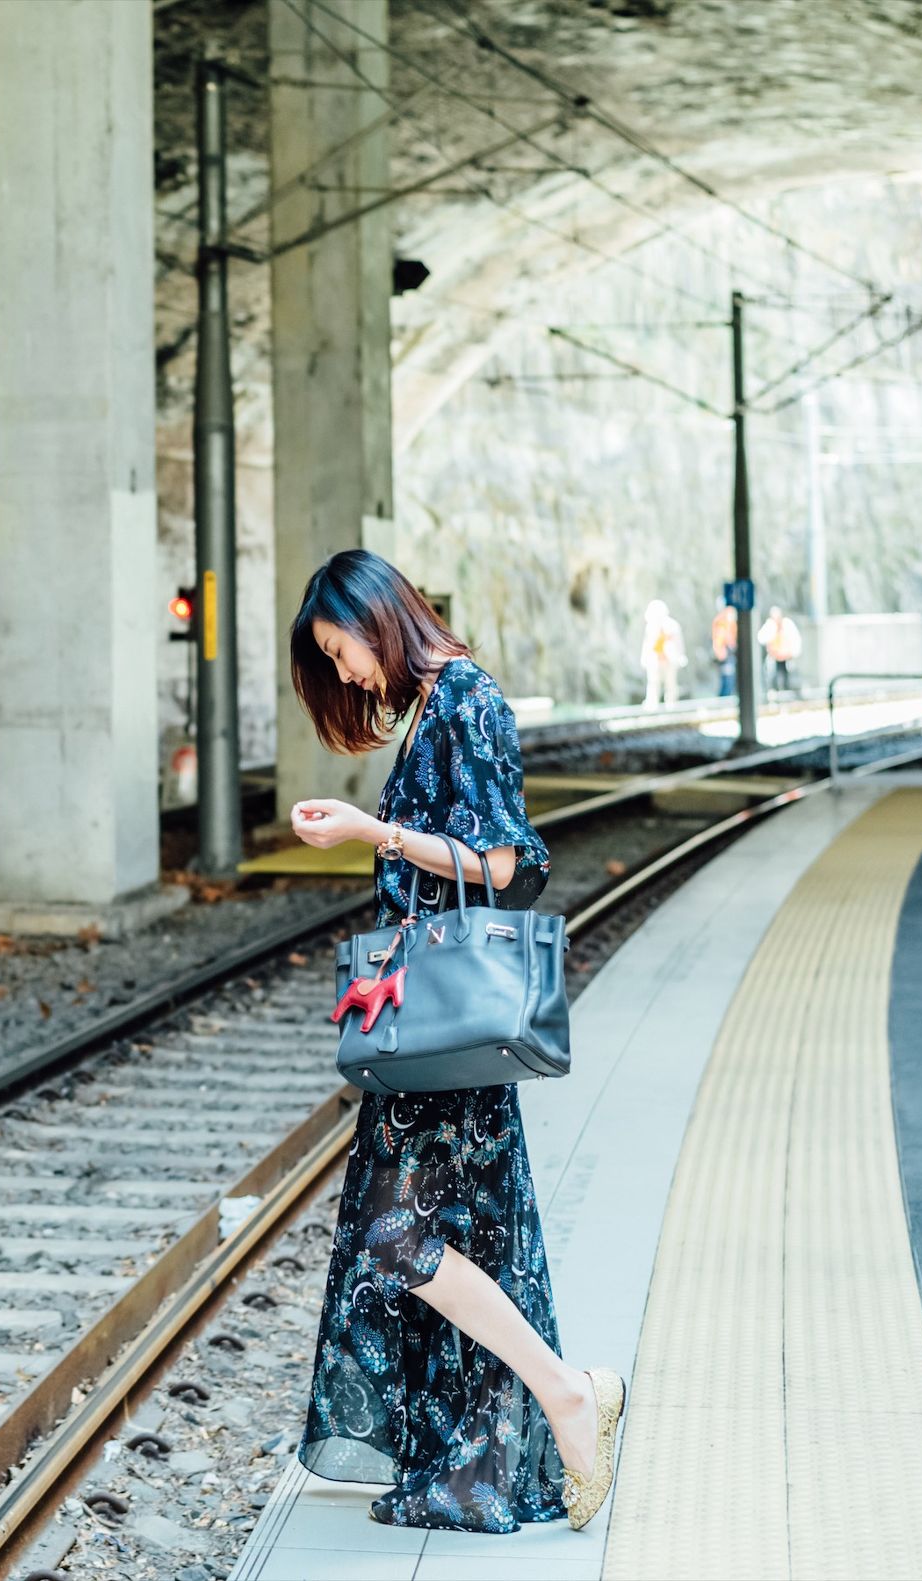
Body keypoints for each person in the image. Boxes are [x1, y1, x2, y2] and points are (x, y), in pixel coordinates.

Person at [283, 549, 626, 1534]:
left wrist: (372, 832)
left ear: (381, 619)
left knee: (401, 1237)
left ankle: (569, 1394)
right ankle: (489, 1445)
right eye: (333, 661)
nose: (346, 675)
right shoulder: (438, 703)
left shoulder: (471, 699)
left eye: (343, 651)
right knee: (440, 1239)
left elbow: (508, 863)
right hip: (426, 1026)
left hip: (447, 1019)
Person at [638, 599, 685, 709]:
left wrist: (679, 656)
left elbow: (678, 643)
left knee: (671, 683)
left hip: (670, 660)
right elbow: (647, 644)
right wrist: (645, 658)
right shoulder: (650, 627)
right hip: (655, 660)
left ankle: (671, 704)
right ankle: (652, 704)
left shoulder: (672, 626)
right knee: (653, 683)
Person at [759, 605, 801, 694]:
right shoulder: (770, 625)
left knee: (787, 674)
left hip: (786, 656)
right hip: (774, 656)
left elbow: (795, 639)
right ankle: (774, 691)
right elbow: (761, 638)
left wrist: (792, 652)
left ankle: (788, 691)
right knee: (772, 674)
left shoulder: (787, 624)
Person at [710, 601, 738, 697]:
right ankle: (724, 700)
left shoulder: (729, 621)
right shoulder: (721, 622)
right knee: (727, 679)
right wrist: (721, 652)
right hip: (725, 653)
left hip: (729, 651)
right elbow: (719, 639)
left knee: (729, 678)